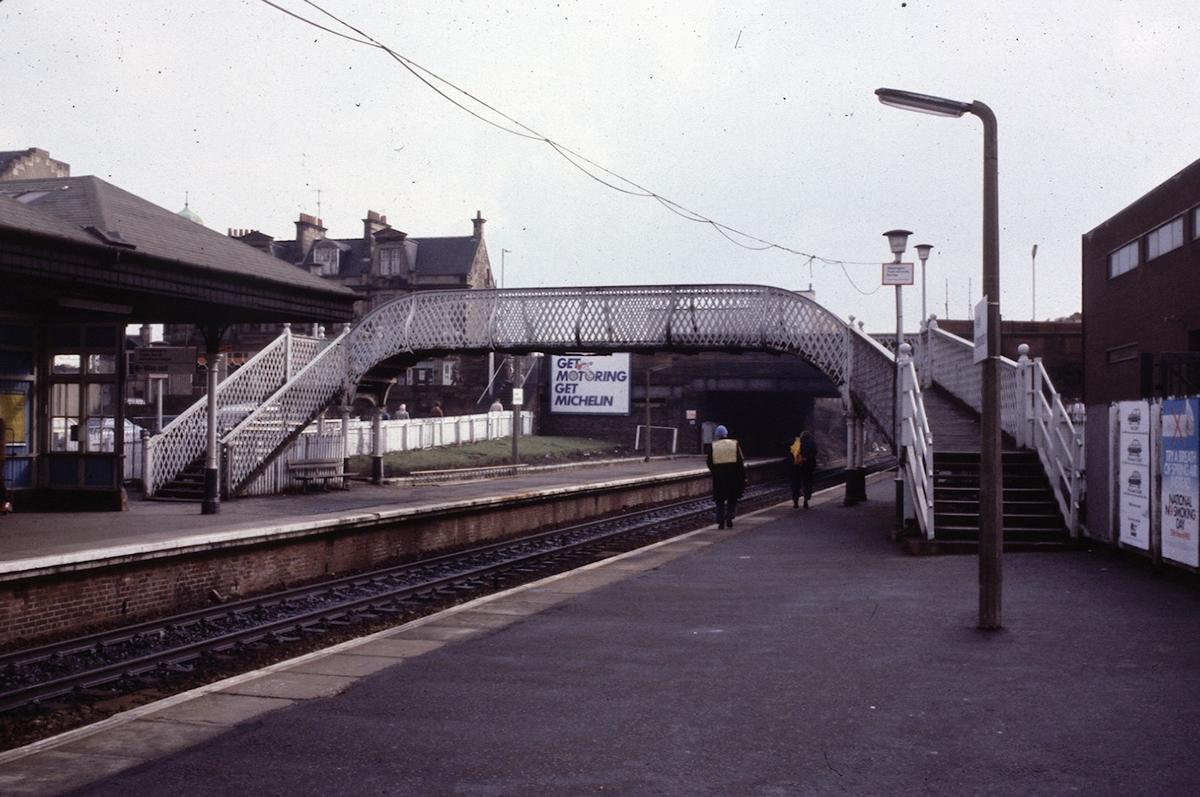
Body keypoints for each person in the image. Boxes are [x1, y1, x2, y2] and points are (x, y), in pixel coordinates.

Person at [706, 424, 745, 529]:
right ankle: (730, 518)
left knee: (720, 500)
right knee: (732, 499)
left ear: (717, 435)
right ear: (726, 433)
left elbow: (709, 462)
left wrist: (715, 471)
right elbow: (740, 462)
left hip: (719, 479)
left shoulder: (714, 446)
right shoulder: (734, 444)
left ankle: (720, 521)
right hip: (733, 478)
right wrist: (742, 477)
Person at [788, 430, 819, 508]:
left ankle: (795, 502)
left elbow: (790, 452)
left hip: (796, 466)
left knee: (795, 484)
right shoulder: (812, 443)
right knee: (807, 483)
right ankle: (806, 500)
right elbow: (815, 452)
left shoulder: (796, 442)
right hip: (807, 467)